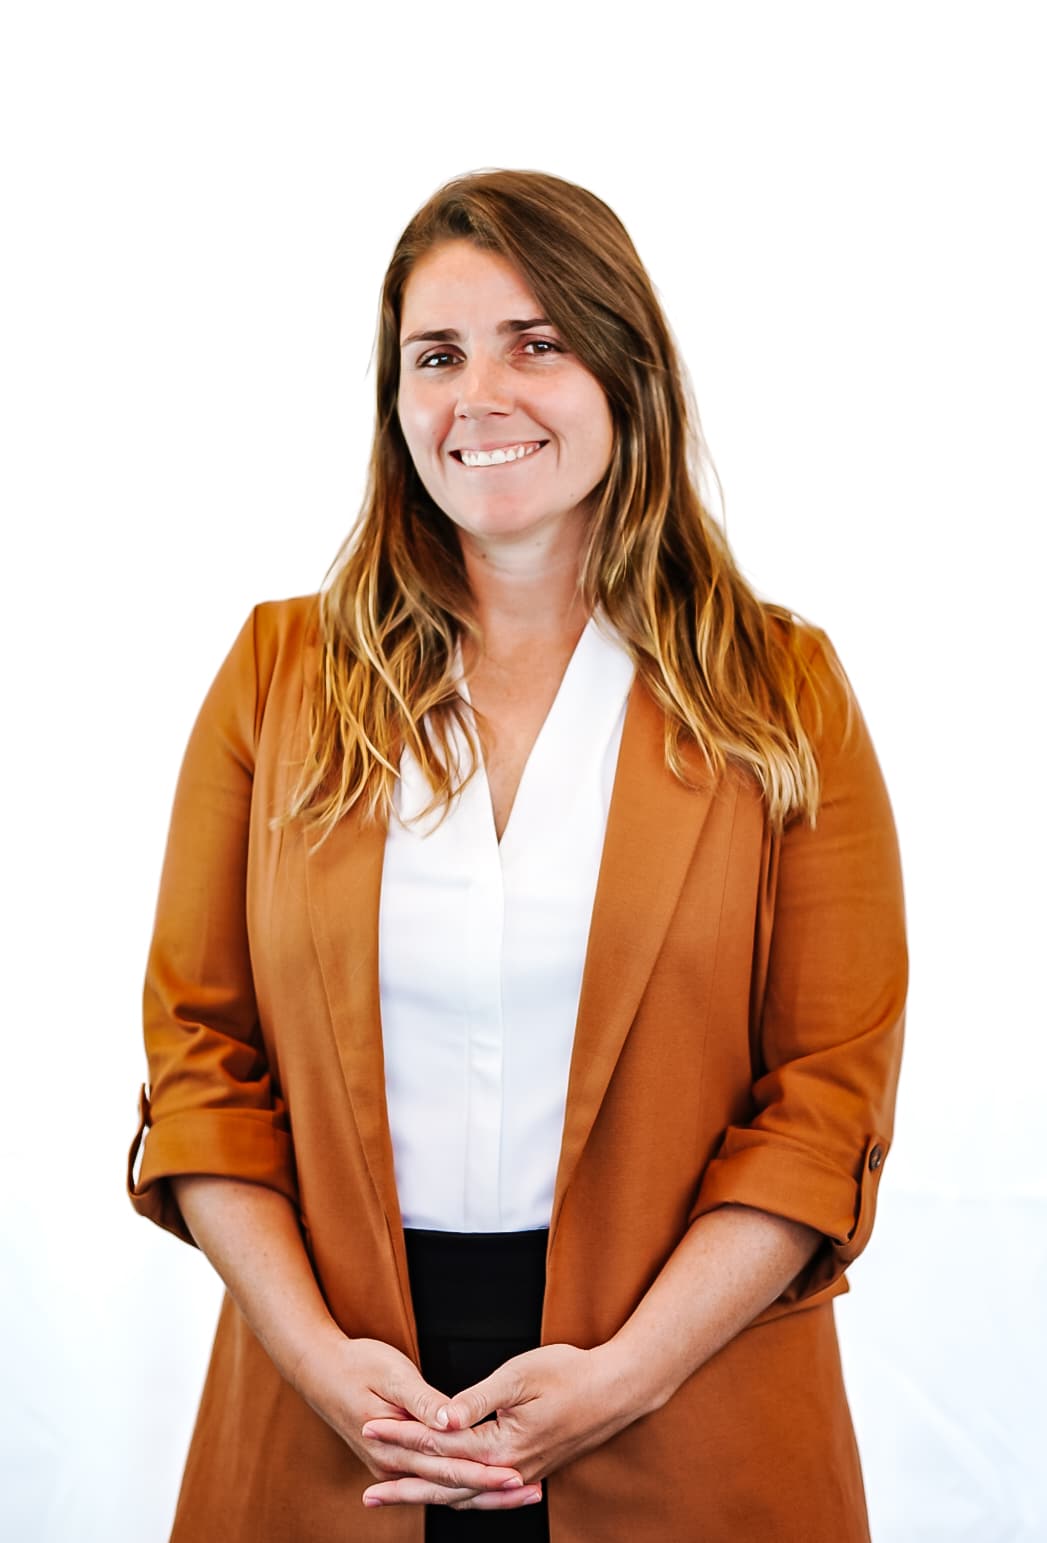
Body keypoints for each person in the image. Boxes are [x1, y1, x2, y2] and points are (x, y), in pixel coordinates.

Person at [128, 168, 907, 1542]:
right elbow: (202, 1063)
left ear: (627, 372)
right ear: (397, 401)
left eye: (535, 344)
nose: (478, 396)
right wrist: (317, 1360)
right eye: (437, 356)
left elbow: (823, 1104)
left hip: (690, 1416)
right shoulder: (275, 679)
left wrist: (629, 1377)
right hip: (332, 1421)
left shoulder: (784, 693)